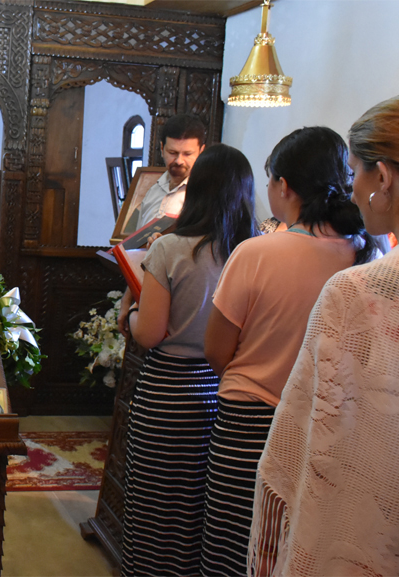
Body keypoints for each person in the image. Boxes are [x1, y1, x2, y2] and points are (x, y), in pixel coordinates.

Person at [249, 92, 399, 577]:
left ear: (384, 178)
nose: (350, 189)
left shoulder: (362, 289)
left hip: (372, 538)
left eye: (355, 171)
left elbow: (311, 445)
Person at [200, 126, 378, 576]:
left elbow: (217, 351)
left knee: (233, 544)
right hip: (325, 425)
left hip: (248, 421)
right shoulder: (367, 255)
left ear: (283, 186)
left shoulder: (257, 253)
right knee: (291, 548)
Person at [114, 144, 258, 575]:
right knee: (200, 505)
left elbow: (150, 333)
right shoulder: (252, 251)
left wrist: (129, 313)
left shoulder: (171, 248)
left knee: (155, 503)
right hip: (220, 391)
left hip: (168, 392)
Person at [134, 114, 206, 226]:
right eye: (172, 153)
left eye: (187, 154)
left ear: (201, 152)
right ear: (162, 148)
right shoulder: (153, 190)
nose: (179, 161)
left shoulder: (206, 195)